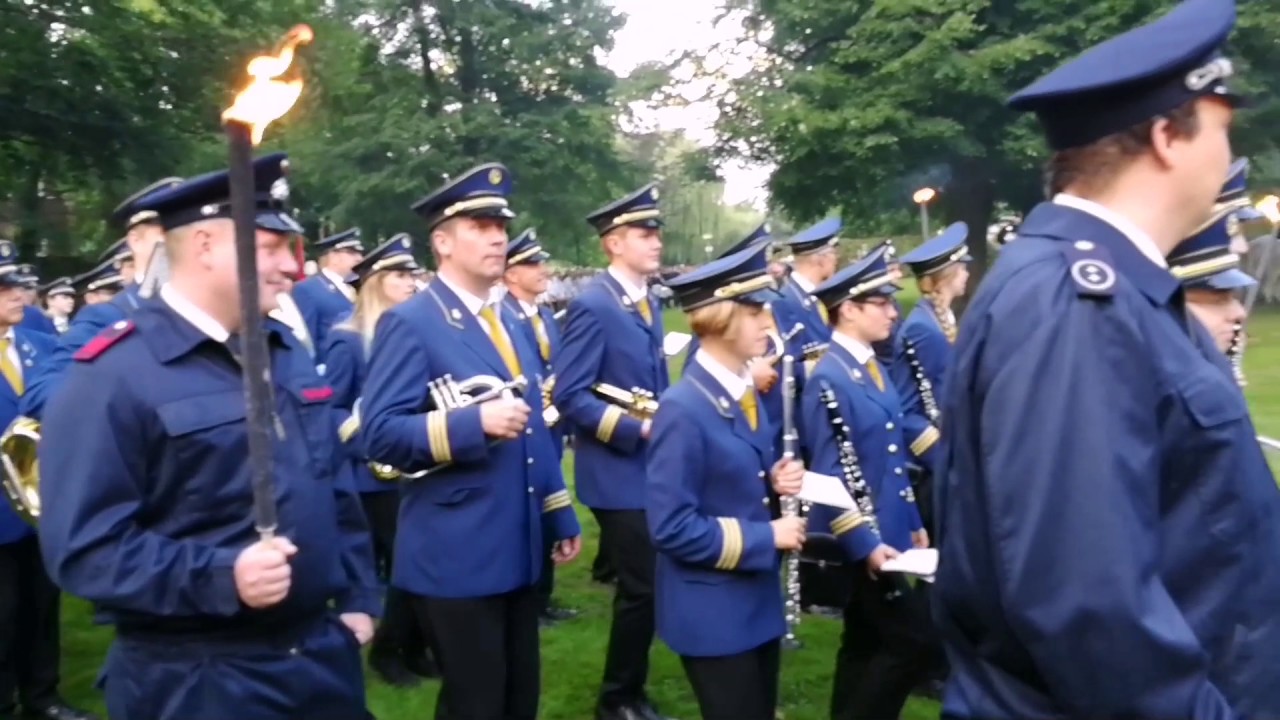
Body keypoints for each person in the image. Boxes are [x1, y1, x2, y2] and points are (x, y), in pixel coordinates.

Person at [932, 1, 1280, 717]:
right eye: (1223, 126)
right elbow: (1087, 603)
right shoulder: (1074, 301)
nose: (1230, 153)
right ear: (1167, 137)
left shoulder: (1112, 288)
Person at [37, 153, 381, 720]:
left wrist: (359, 596)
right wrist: (222, 575)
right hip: (198, 679)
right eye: (271, 248)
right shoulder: (113, 375)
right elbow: (84, 548)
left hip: (317, 657)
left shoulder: (283, 351)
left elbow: (329, 482)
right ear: (204, 245)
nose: (293, 268)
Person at [361, 162, 582, 720]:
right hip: (456, 550)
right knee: (476, 703)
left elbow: (534, 424)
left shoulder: (508, 320)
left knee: (518, 697)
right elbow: (380, 434)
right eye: (480, 227)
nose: (497, 238)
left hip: (517, 542)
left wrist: (558, 512)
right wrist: (471, 424)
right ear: (442, 242)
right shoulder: (412, 321)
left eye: (500, 226)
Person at [645, 241, 806, 720]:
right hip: (714, 614)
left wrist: (773, 483)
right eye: (754, 312)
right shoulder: (683, 408)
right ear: (720, 319)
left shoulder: (736, 393)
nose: (767, 323)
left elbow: (730, 477)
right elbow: (671, 526)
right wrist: (767, 535)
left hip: (752, 601)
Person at [801, 246, 939, 720]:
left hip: (890, 530)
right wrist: (865, 544)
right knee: (912, 643)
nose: (892, 311)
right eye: (880, 303)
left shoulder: (869, 365)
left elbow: (892, 456)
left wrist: (913, 520)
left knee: (864, 641)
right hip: (864, 539)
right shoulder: (830, 378)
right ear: (848, 310)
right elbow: (828, 476)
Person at [552, 183, 672, 720]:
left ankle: (630, 691)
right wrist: (635, 430)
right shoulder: (594, 305)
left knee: (649, 588)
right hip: (616, 472)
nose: (656, 242)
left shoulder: (646, 300)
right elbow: (570, 394)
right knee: (641, 589)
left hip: (649, 468)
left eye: (656, 233)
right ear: (613, 243)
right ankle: (617, 698)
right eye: (644, 234)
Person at [323, 233, 437, 688]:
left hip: (413, 463)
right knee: (392, 564)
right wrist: (366, 443)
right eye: (400, 275)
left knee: (416, 561)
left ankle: (411, 646)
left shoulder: (413, 332)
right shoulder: (347, 339)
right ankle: (386, 652)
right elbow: (331, 409)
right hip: (369, 475)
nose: (411, 283)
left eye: (412, 274)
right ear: (375, 283)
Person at [0, 241, 96, 720]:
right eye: (4, 288)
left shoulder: (38, 343)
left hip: (41, 504)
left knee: (41, 606)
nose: (17, 294)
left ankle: (43, 696)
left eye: (16, 285)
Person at [20, 176, 182, 420]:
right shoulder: (108, 318)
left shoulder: (222, 309)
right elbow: (42, 395)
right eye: (167, 229)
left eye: (189, 227)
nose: (180, 239)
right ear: (135, 240)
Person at [500, 227, 580, 627]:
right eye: (532, 264)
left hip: (550, 424)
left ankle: (543, 597)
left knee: (551, 506)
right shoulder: (503, 316)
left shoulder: (545, 314)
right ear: (511, 274)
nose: (542, 270)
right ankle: (528, 598)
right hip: (524, 426)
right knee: (527, 512)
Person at [292, 227, 364, 359]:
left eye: (360, 253)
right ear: (333, 257)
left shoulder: (358, 288)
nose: (359, 258)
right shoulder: (308, 289)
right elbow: (306, 341)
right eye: (352, 253)